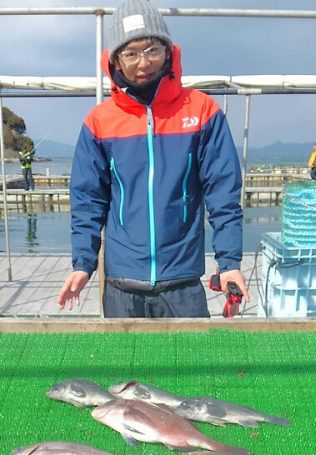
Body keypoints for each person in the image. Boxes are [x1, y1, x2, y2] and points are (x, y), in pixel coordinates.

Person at [58, 0, 248, 318]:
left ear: (169, 52)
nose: (143, 62)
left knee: (192, 367)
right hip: (121, 285)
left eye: (152, 50)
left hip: (184, 284)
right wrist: (83, 264)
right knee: (125, 368)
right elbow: (88, 201)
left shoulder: (203, 112)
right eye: (130, 53)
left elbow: (223, 195)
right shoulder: (98, 122)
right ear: (115, 60)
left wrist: (229, 264)